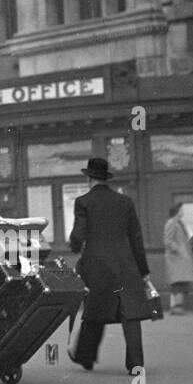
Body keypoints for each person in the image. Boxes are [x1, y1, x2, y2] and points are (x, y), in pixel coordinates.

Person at [68, 156, 151, 373]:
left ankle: (85, 356)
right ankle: (136, 363)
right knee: (130, 313)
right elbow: (136, 239)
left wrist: (75, 246)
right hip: (126, 264)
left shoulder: (83, 202)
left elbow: (78, 236)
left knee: (95, 310)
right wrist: (143, 271)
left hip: (97, 266)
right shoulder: (125, 202)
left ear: (89, 179)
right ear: (106, 178)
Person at [163, 203, 193, 316]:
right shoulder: (172, 223)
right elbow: (168, 241)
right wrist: (180, 250)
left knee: (181, 283)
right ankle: (177, 307)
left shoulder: (178, 223)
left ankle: (177, 307)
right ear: (177, 211)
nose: (183, 211)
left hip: (180, 259)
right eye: (181, 209)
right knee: (179, 283)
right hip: (176, 259)